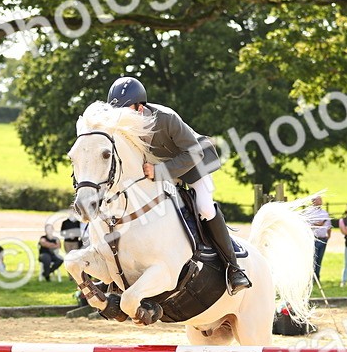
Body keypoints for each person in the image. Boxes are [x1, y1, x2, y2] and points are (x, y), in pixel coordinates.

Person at [105, 76, 250, 293]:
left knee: (204, 207)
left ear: (139, 106)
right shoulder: (123, 127)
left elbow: (194, 153)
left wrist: (159, 172)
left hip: (193, 163)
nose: (121, 117)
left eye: (126, 110)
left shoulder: (165, 118)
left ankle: (233, 268)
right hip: (158, 172)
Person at [303, 195, 332, 280]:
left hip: (323, 238)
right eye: (318, 200)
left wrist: (328, 235)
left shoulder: (324, 213)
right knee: (313, 259)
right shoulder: (309, 213)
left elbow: (328, 225)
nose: (320, 201)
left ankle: (317, 276)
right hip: (313, 239)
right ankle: (311, 277)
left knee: (319, 259)